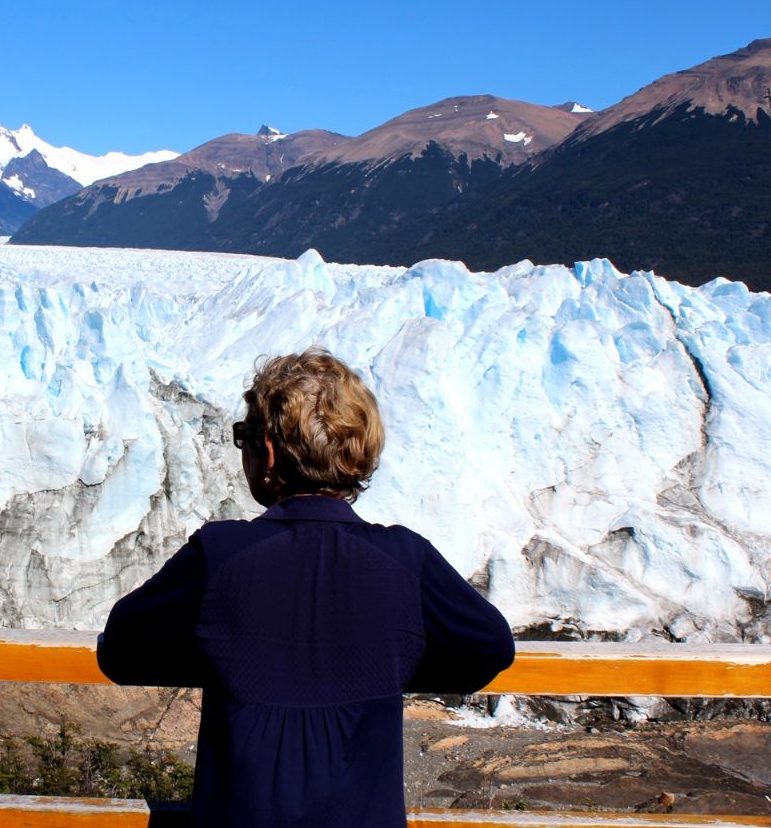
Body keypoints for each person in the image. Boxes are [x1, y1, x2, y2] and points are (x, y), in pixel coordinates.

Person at [98, 348, 515, 827]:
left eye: (244, 439)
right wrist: (392, 656)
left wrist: (224, 653)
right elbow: (491, 647)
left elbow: (121, 649)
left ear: (269, 452)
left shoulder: (221, 555)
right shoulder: (405, 561)